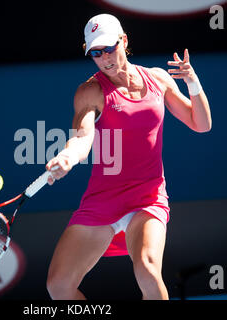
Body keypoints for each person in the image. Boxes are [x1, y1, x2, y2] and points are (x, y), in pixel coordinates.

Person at [45, 13, 212, 300]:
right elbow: (83, 136)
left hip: (148, 199)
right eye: (95, 52)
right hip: (102, 202)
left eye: (109, 48)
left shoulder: (158, 79)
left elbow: (201, 124)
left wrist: (193, 83)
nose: (104, 58)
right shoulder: (91, 91)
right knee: (58, 286)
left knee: (147, 271)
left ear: (124, 41)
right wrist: (68, 158)